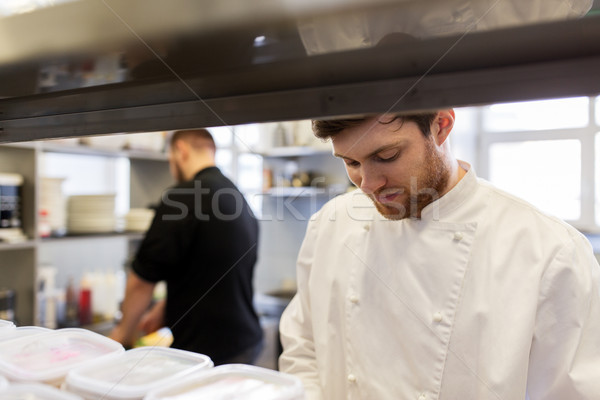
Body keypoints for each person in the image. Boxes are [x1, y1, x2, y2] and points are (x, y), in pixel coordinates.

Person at [278, 110, 600, 399]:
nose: (368, 184)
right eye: (351, 162)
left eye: (386, 155)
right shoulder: (331, 226)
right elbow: (301, 351)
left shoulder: (549, 251)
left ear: (441, 126)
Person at [110, 129, 263, 366]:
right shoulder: (237, 196)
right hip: (246, 343)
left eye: (171, 158)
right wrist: (166, 307)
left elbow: (142, 282)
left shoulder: (182, 197)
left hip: (205, 353)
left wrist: (121, 336)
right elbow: (212, 271)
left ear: (180, 151)